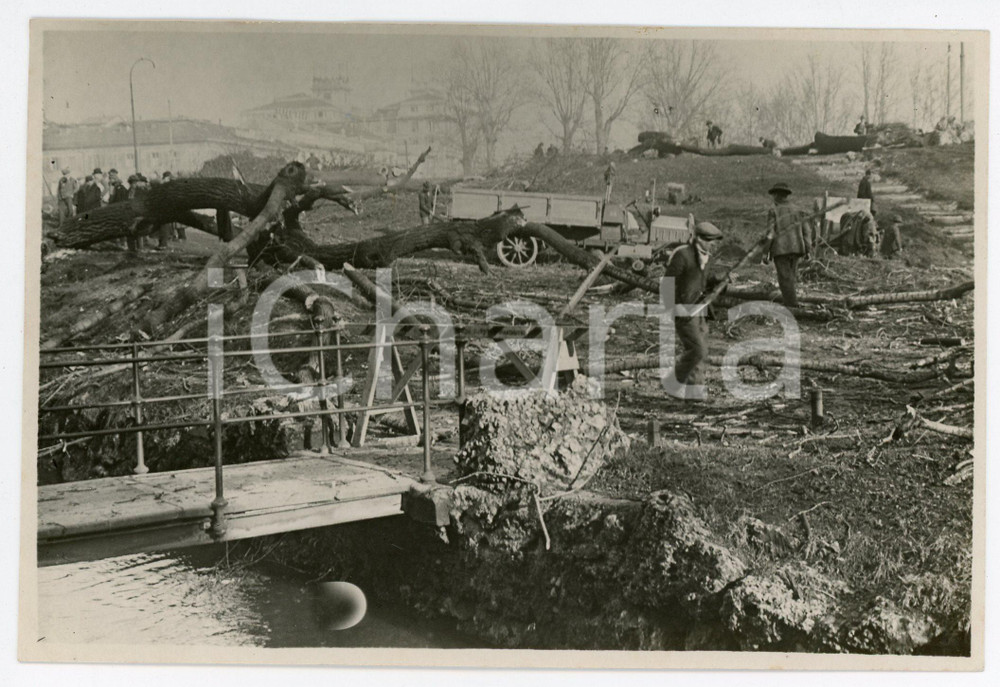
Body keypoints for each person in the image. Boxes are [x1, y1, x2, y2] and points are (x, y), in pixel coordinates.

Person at [660, 221, 724, 393]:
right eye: (710, 241)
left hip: (701, 310)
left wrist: (720, 281)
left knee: (702, 351)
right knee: (697, 350)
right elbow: (667, 284)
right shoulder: (682, 255)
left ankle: (694, 391)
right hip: (684, 310)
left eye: (714, 242)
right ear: (699, 239)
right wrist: (673, 307)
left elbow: (705, 281)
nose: (713, 245)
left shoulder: (709, 258)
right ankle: (673, 383)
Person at [764, 182, 810, 308]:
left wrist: (765, 252)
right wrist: (807, 249)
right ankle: (790, 303)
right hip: (797, 248)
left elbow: (770, 233)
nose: (773, 197)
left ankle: (792, 306)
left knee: (785, 280)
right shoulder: (797, 210)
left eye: (774, 195)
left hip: (781, 249)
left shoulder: (773, 210)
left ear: (777, 195)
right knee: (791, 277)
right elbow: (806, 231)